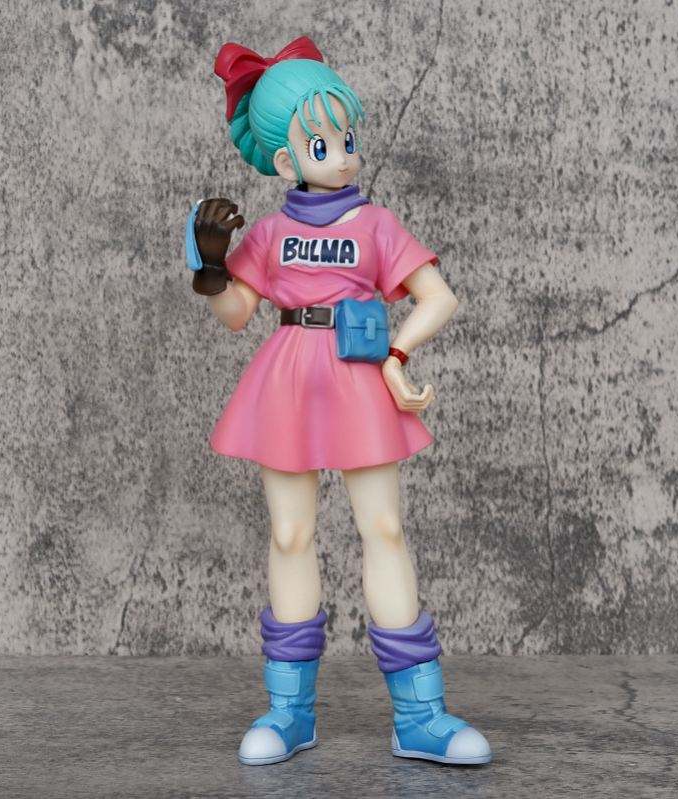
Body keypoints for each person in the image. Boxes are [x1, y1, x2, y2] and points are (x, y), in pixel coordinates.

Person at [188, 35, 493, 767]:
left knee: (383, 528)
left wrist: (396, 354)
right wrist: (208, 266)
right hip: (288, 378)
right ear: (285, 162)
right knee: (290, 535)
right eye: (322, 143)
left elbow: (437, 297)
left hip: (356, 376)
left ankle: (420, 714)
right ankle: (288, 711)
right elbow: (237, 314)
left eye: (346, 137)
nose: (344, 154)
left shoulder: (376, 225)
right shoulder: (269, 233)